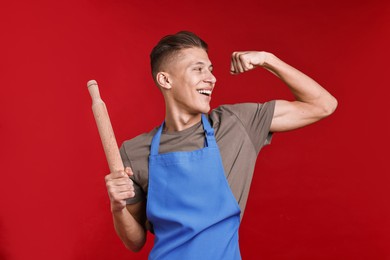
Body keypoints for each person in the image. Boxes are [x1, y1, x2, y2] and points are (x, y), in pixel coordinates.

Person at [104, 31, 337, 259]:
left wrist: (268, 59)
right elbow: (135, 242)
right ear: (166, 80)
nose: (211, 78)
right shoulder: (134, 151)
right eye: (198, 69)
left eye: (210, 70)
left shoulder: (236, 124)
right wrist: (118, 207)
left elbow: (323, 105)